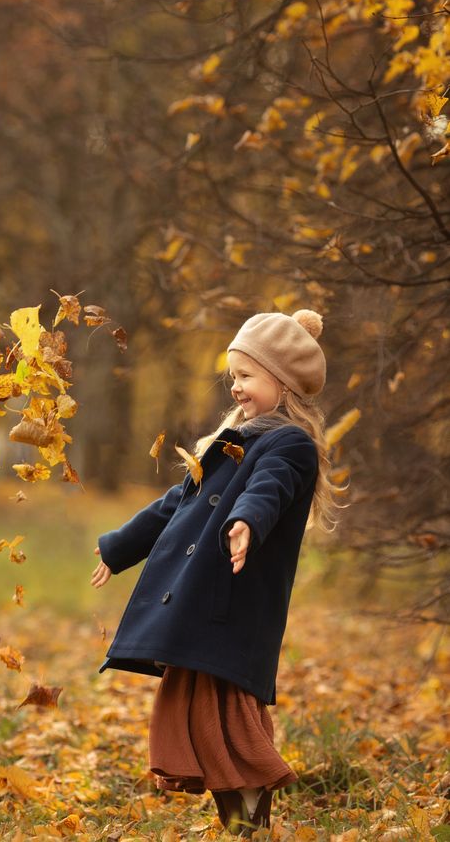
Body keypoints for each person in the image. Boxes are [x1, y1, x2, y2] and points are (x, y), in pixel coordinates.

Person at [90, 309, 347, 836]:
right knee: (199, 715)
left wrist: (246, 521)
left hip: (234, 605)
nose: (235, 387)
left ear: (283, 382)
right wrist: (119, 547)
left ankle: (250, 814)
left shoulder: (289, 444)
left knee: (228, 715)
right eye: (233, 376)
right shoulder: (231, 442)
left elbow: (269, 487)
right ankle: (238, 820)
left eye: (246, 375)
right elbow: (175, 504)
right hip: (199, 602)